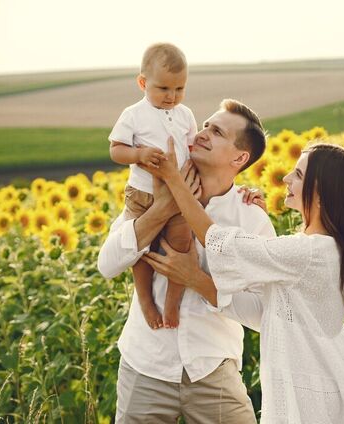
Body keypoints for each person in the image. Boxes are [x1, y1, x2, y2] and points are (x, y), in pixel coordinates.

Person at [142, 142, 344, 423]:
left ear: (321, 195)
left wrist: (173, 180)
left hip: (314, 396)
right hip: (320, 385)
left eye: (299, 175)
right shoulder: (319, 249)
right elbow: (264, 313)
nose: (285, 179)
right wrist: (194, 278)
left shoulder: (310, 253)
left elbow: (216, 241)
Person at [98, 99, 274, 423]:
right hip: (145, 365)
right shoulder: (151, 190)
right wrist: (162, 209)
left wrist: (198, 280)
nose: (204, 132)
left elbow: (265, 313)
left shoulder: (250, 219)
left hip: (212, 369)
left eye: (218, 132)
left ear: (240, 157)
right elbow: (106, 264)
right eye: (206, 124)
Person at [108, 42, 196, 329]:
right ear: (143, 82)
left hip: (177, 193)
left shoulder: (186, 115)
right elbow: (116, 150)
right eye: (163, 89)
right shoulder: (133, 114)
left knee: (181, 244)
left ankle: (173, 299)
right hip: (142, 194)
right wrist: (138, 154)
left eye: (179, 89)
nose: (172, 97)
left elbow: (192, 148)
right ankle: (145, 299)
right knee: (139, 247)